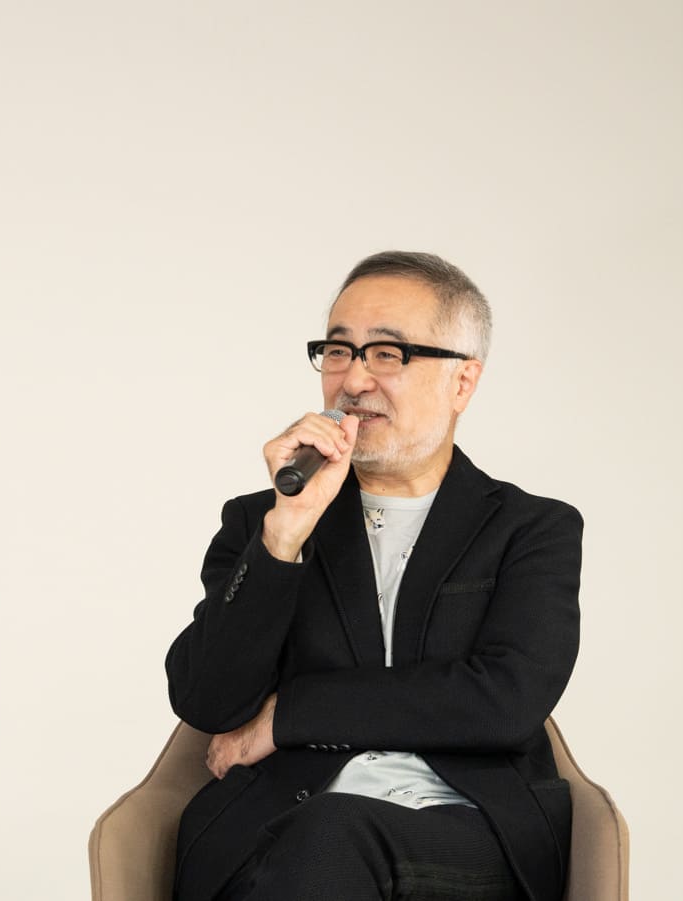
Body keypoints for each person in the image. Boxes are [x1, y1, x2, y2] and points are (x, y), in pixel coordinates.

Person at [165, 251, 582, 901]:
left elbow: (505, 702)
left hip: (465, 831)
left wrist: (290, 715)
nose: (354, 379)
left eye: (387, 353)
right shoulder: (262, 522)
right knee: (318, 840)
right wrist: (285, 535)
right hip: (280, 827)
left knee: (333, 833)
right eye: (338, 351)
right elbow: (206, 701)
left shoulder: (530, 529)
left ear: (463, 381)